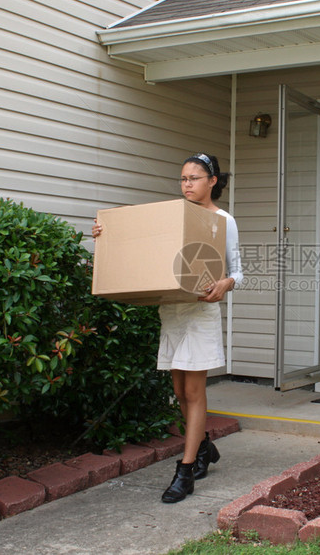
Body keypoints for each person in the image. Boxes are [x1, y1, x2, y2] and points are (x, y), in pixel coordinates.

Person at [92, 153, 243, 504]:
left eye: (194, 178)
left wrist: (226, 283)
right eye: (183, 179)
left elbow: (239, 269)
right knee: (178, 391)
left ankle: (185, 471)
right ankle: (205, 446)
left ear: (213, 181)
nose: (187, 184)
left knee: (193, 391)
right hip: (171, 311)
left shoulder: (223, 220)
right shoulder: (174, 215)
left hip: (201, 314)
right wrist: (105, 234)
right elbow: (141, 243)